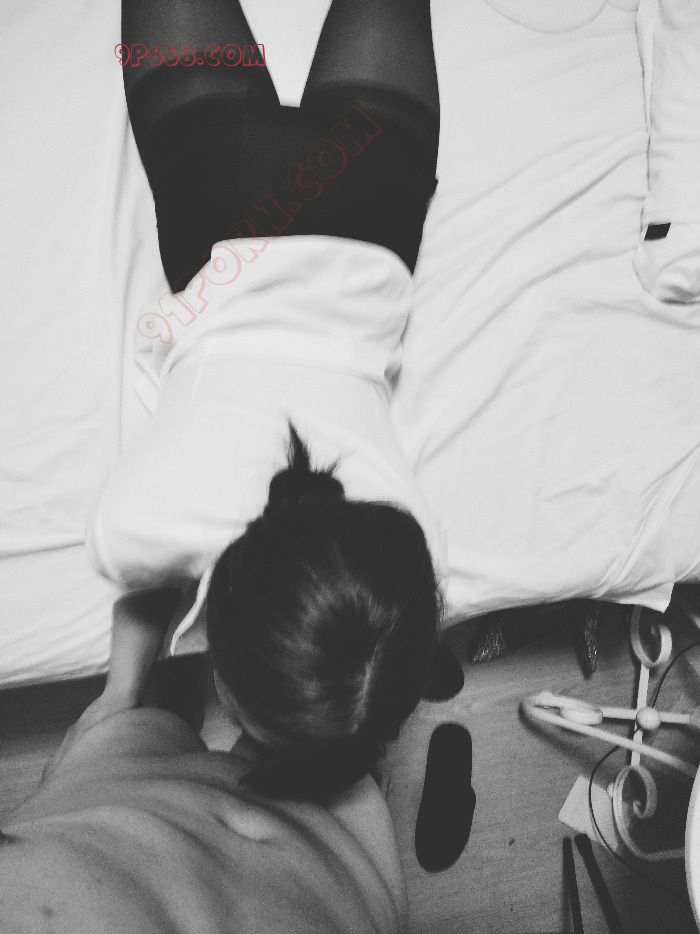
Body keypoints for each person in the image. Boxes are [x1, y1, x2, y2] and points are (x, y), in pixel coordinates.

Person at [86, 0, 446, 803]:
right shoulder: (138, 524)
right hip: (221, 196)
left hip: (371, 202)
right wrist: (121, 692)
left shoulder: (420, 553)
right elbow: (143, 589)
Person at [0, 594, 407, 934]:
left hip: (129, 781)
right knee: (318, 739)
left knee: (162, 710)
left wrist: (119, 694)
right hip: (348, 867)